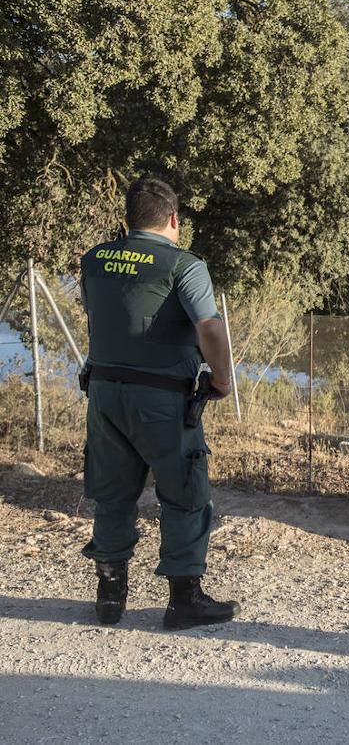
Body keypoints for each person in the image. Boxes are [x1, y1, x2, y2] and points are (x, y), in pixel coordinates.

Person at [79, 176, 239, 630]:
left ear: (128, 219)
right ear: (173, 219)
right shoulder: (183, 265)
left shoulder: (94, 260)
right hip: (162, 398)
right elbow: (209, 327)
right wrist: (223, 380)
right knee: (185, 493)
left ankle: (110, 597)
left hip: (104, 394)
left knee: (112, 494)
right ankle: (184, 598)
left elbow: (99, 317)